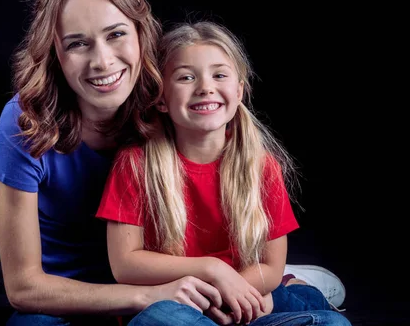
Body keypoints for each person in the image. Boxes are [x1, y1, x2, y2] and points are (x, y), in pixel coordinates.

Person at [0, 0, 227, 326]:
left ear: (140, 32)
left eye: (116, 34)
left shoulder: (167, 98)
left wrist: (233, 270)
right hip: (66, 297)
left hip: (160, 282)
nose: (102, 61)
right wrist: (143, 297)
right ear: (54, 53)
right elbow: (22, 287)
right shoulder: (25, 121)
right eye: (78, 44)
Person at [96, 21, 351, 325]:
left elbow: (269, 267)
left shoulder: (261, 166)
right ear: (160, 98)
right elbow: (125, 265)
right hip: (174, 305)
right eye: (186, 77)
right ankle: (293, 290)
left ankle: (296, 288)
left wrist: (236, 292)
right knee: (163, 319)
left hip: (242, 300)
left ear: (240, 90)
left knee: (333, 324)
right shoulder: (136, 163)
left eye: (219, 75)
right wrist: (213, 271)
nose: (205, 87)